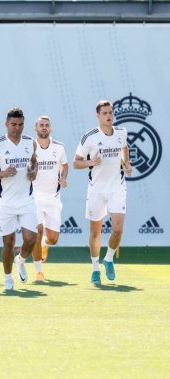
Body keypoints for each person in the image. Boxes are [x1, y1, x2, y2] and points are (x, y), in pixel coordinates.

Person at [74, 100, 131, 285]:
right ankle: (95, 268)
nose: (108, 116)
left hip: (117, 187)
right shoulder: (89, 137)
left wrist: (127, 164)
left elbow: (125, 148)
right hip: (97, 189)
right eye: (104, 113)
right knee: (96, 232)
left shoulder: (121, 132)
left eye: (110, 112)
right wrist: (91, 163)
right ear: (97, 115)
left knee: (118, 229)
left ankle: (109, 259)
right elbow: (76, 162)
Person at [0, 108, 38, 291]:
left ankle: (20, 260)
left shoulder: (31, 142)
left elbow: (33, 161)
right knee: (8, 242)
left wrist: (33, 171)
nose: (17, 128)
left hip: (27, 200)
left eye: (21, 125)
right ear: (6, 124)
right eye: (13, 124)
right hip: (6, 202)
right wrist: (3, 173)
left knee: (31, 240)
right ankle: (8, 278)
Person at [32, 116, 68, 282]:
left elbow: (65, 165)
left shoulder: (59, 147)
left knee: (53, 239)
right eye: (41, 125)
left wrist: (64, 177)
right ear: (35, 128)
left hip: (53, 198)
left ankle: (45, 245)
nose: (44, 128)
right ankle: (39, 272)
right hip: (34, 198)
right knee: (37, 232)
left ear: (50, 129)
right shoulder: (29, 147)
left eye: (47, 125)